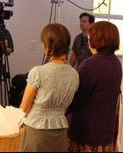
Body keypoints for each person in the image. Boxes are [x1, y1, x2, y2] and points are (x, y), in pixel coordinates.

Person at [19, 23, 79, 152]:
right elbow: (64, 108)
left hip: (36, 130)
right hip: (60, 130)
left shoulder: (38, 72)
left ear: (47, 47)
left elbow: (24, 109)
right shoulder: (74, 75)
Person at [66, 21, 122, 152]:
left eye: (90, 38)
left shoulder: (90, 65)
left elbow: (76, 99)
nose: (88, 41)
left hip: (87, 134)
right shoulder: (116, 62)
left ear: (96, 40)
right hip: (106, 131)